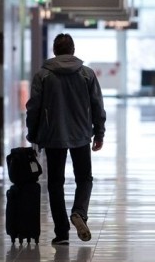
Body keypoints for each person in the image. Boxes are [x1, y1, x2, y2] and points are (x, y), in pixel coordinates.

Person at [26, 33, 106, 245]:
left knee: (55, 183)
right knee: (84, 178)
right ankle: (79, 212)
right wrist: (99, 133)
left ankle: (61, 233)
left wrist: (32, 134)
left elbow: (33, 107)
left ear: (54, 50)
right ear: (72, 50)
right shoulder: (87, 75)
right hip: (81, 135)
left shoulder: (43, 75)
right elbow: (98, 105)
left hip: (53, 135)